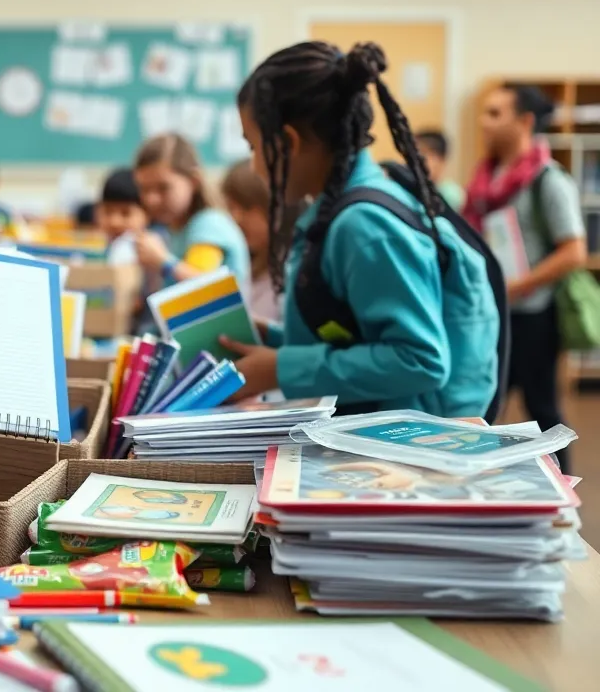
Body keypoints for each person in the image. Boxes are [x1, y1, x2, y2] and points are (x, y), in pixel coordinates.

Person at [220, 41, 498, 417]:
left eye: (253, 146)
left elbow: (419, 359)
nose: (254, 166)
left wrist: (277, 368)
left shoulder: (364, 225)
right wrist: (274, 340)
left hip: (409, 446)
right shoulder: (338, 212)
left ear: (288, 142)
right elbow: (355, 336)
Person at [464, 83, 586, 472]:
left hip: (534, 316)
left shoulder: (549, 180)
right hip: (494, 313)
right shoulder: (488, 179)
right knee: (486, 407)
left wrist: (516, 287)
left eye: (495, 113)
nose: (484, 122)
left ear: (525, 122)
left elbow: (574, 252)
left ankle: (563, 497)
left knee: (543, 410)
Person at [132, 132, 251, 288]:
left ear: (193, 181)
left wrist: (163, 262)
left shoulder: (208, 224)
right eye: (144, 189)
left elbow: (202, 286)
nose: (151, 199)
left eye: (163, 188)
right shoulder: (176, 228)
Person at [221, 160, 282, 322]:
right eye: (230, 208)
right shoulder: (237, 263)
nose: (236, 217)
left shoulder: (290, 271)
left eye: (247, 208)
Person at [95, 167, 148, 265]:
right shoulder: (105, 245)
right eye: (108, 212)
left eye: (126, 213)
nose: (114, 222)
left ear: (147, 214)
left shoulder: (149, 249)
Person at [414, 129, 465, 211]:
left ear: (441, 160)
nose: (415, 161)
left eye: (423, 154)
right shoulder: (410, 188)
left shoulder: (451, 194)